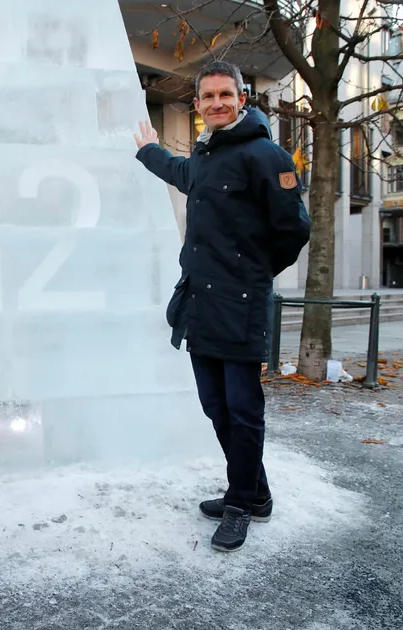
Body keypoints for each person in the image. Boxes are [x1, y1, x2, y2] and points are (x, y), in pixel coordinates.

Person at [133, 61, 311, 553]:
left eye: (225, 95)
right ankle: (257, 493)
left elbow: (293, 230)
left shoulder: (266, 155)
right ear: (197, 106)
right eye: (208, 97)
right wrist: (148, 150)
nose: (217, 103)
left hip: (242, 304)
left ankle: (239, 505)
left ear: (242, 99)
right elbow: (182, 173)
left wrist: (251, 276)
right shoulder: (208, 155)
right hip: (201, 303)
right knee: (215, 406)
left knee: (242, 408)